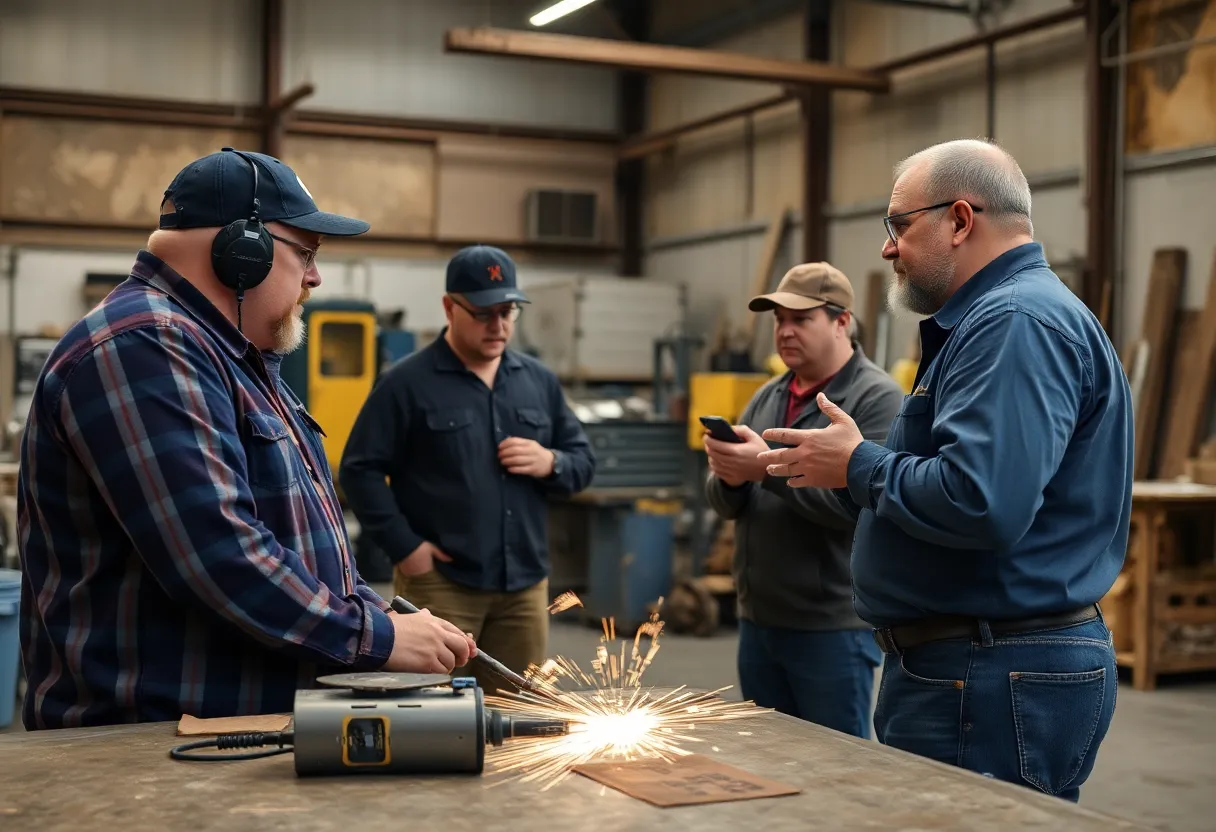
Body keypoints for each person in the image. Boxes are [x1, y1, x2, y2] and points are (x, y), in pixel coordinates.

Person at [17, 148, 475, 731]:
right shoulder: (145, 346)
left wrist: (371, 606)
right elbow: (218, 554)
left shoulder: (233, 359)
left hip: (226, 735)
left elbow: (292, 535)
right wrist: (375, 637)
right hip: (151, 748)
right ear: (243, 252)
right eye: (305, 253)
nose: (315, 276)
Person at [757, 139, 1130, 802]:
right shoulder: (1003, 318)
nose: (887, 248)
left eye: (898, 226)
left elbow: (983, 501)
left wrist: (861, 464)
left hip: (987, 671)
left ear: (960, 220)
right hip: (982, 665)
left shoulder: (1014, 323)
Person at [339, 245, 596, 693]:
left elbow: (583, 462)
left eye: (507, 312)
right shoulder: (406, 383)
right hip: (441, 586)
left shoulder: (538, 382)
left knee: (520, 710)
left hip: (525, 586)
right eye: (482, 313)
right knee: (427, 709)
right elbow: (360, 469)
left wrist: (550, 461)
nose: (498, 326)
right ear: (449, 307)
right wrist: (406, 547)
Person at [703, 263, 902, 738]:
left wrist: (764, 469)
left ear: (841, 321)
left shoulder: (875, 400)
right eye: (779, 321)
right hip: (758, 621)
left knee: (838, 773)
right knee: (769, 764)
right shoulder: (767, 397)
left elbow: (858, 507)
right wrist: (731, 477)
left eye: (801, 319)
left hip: (830, 629)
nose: (785, 331)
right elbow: (726, 504)